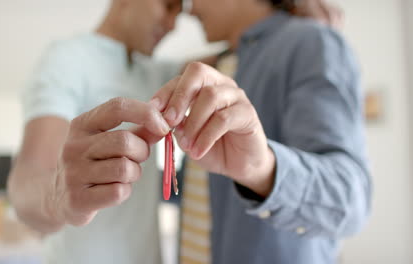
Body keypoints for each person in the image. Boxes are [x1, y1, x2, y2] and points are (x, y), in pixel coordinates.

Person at [7, 0, 345, 263]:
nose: (173, 24)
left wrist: (298, 16)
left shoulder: (158, 75)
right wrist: (55, 196)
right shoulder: (66, 60)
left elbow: (244, 47)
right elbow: (25, 182)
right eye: (167, 6)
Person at [150, 0, 371, 263]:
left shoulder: (312, 41)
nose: (190, 10)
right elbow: (204, 192)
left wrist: (263, 169)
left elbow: (350, 199)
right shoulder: (219, 64)